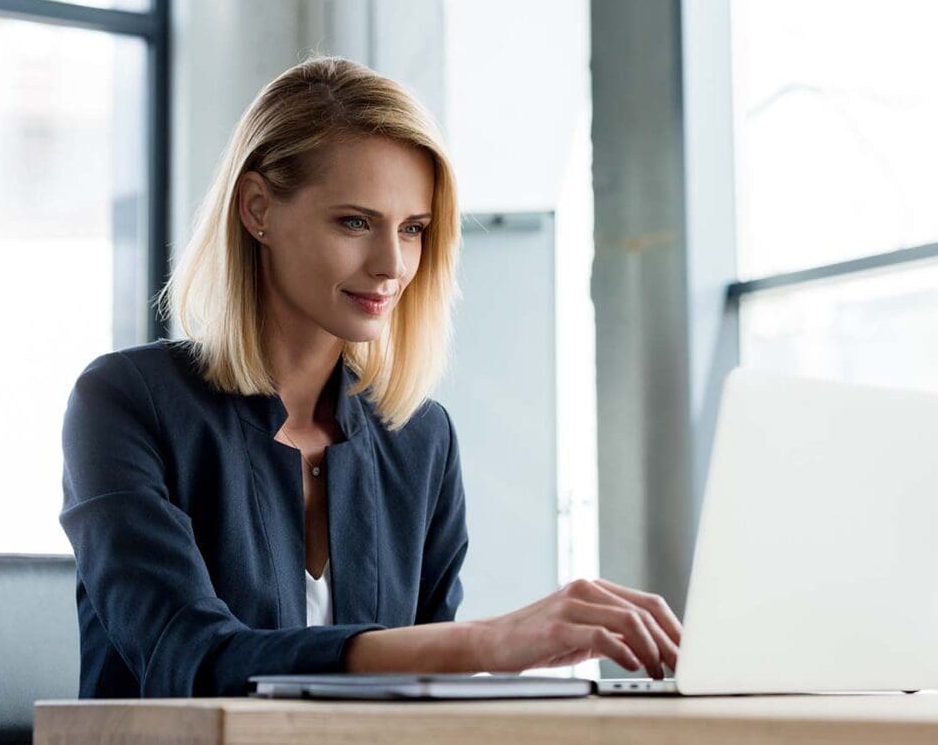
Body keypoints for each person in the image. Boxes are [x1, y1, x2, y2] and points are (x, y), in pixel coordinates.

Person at [59, 55, 682, 698]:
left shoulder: (421, 438)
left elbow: (420, 703)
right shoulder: (125, 403)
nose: (391, 264)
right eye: (355, 222)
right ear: (257, 210)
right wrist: (489, 642)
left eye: (413, 229)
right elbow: (188, 658)